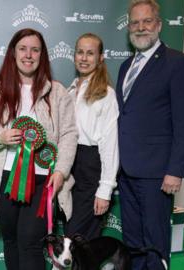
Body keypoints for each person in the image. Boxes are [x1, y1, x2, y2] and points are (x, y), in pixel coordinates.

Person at [0, 28, 78, 270]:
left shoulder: (57, 92)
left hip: (44, 181)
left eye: (35, 49)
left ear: (42, 55)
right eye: (23, 48)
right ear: (13, 53)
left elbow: (69, 134)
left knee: (31, 242)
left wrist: (61, 171)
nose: (28, 55)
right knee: (11, 240)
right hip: (4, 179)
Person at [115, 0, 184, 269]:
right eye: (135, 23)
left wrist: (175, 171)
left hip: (157, 174)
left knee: (155, 242)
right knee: (133, 243)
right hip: (126, 170)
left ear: (159, 25)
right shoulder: (126, 67)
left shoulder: (178, 63)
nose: (141, 28)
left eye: (147, 21)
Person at [65, 33, 119, 240]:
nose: (84, 58)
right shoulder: (69, 91)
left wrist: (104, 189)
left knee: (77, 238)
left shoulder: (106, 94)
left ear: (100, 58)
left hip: (91, 166)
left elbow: (110, 145)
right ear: (74, 55)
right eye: (80, 52)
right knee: (74, 239)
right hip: (69, 165)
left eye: (90, 53)